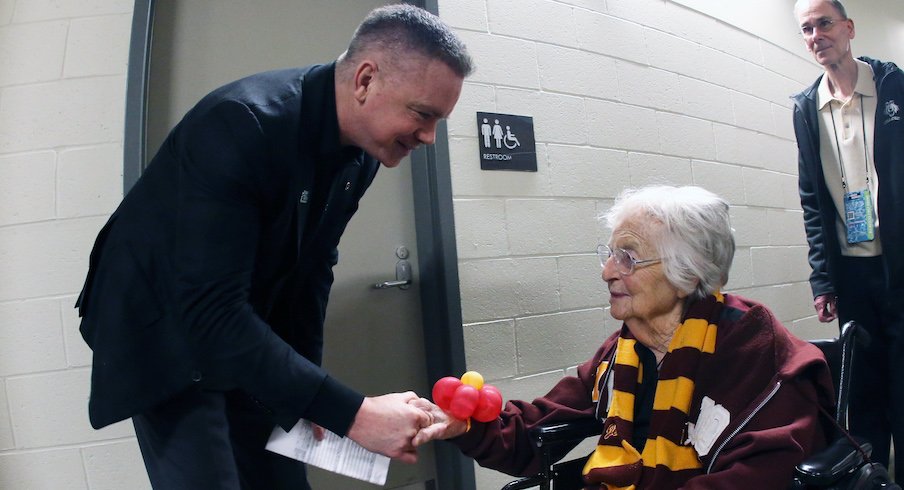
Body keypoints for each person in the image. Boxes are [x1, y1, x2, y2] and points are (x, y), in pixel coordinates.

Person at [74, 4, 473, 489]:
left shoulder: (362, 155)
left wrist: (310, 398)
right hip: (166, 333)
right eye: (422, 114)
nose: (429, 137)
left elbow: (312, 273)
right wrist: (353, 414)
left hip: (238, 326)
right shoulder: (242, 123)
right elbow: (209, 312)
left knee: (281, 478)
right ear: (365, 80)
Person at [412, 186, 835, 489]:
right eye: (610, 254)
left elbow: (766, 473)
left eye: (628, 257)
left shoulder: (753, 348)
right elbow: (535, 432)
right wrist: (465, 426)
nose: (607, 271)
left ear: (688, 274)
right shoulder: (622, 352)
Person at [791, 0, 904, 475]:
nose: (817, 34)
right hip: (852, 272)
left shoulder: (893, 87)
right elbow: (813, 201)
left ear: (849, 28)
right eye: (807, 29)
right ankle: (872, 479)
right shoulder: (805, 107)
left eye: (824, 23)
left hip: (898, 266)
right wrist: (823, 280)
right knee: (863, 389)